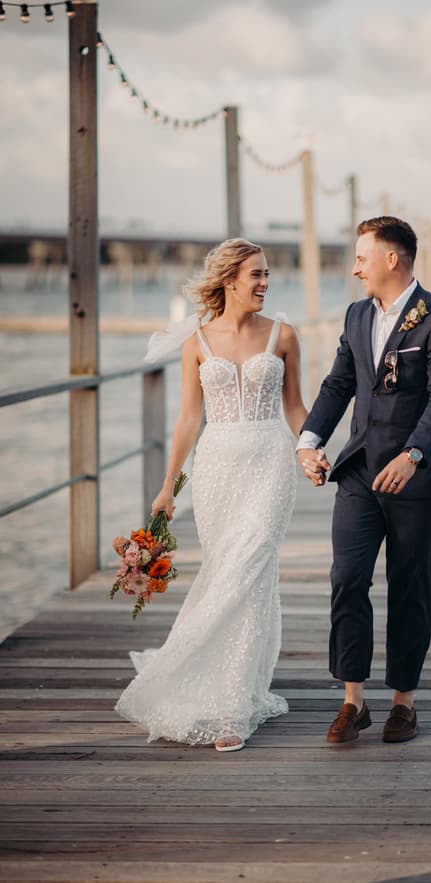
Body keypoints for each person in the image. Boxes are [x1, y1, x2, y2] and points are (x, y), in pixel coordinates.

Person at [115, 238, 309, 752]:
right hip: (218, 467)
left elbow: (296, 409)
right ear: (229, 280)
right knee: (227, 571)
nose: (265, 284)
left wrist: (312, 449)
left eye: (267, 274)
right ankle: (213, 674)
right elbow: (187, 419)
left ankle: (231, 706)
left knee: (251, 563)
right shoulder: (197, 342)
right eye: (256, 276)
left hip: (270, 460)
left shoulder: (284, 335)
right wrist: (166, 487)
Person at [297, 216, 431, 745]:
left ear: (391, 260)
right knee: (347, 579)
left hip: (416, 479)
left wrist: (414, 453)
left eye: (361, 258)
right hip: (359, 474)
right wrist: (308, 441)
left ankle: (403, 702)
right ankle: (354, 701)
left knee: (411, 588)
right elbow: (339, 383)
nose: (354, 269)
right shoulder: (355, 316)